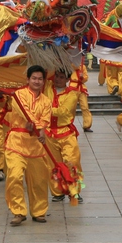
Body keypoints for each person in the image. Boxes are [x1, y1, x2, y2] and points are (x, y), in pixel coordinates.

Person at [2, 66, 52, 225]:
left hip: (36, 146)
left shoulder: (46, 101)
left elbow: (45, 120)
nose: (37, 81)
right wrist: (36, 126)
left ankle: (39, 212)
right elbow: (25, 112)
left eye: (40, 79)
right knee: (14, 176)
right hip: (16, 143)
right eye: (34, 78)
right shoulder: (18, 95)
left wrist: (42, 130)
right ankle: (18, 211)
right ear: (28, 79)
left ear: (43, 81)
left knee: (39, 181)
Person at [47, 70, 82, 203]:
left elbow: (62, 112)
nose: (58, 79)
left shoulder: (72, 94)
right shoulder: (47, 88)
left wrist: (43, 108)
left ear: (67, 79)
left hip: (66, 133)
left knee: (72, 162)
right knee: (52, 164)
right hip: (49, 133)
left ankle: (75, 191)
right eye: (56, 76)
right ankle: (57, 192)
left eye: (62, 77)